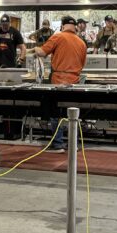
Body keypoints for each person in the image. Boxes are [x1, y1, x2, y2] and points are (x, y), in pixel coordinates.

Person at [36, 16, 88, 150]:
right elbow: (83, 64)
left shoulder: (58, 37)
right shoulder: (81, 42)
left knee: (56, 113)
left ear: (63, 25)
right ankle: (73, 145)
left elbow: (42, 52)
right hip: (75, 81)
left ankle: (58, 144)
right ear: (75, 26)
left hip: (58, 81)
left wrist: (35, 49)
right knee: (73, 114)